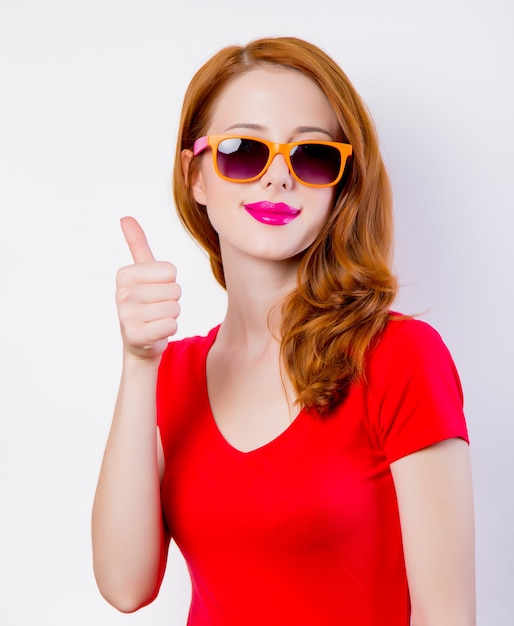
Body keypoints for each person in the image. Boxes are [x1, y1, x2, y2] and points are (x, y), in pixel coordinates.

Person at [91, 36, 475, 625]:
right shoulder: (172, 374)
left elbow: (447, 617)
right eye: (244, 152)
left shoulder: (399, 357)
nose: (277, 179)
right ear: (196, 175)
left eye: (310, 157)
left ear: (340, 186)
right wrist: (138, 362)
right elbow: (123, 586)